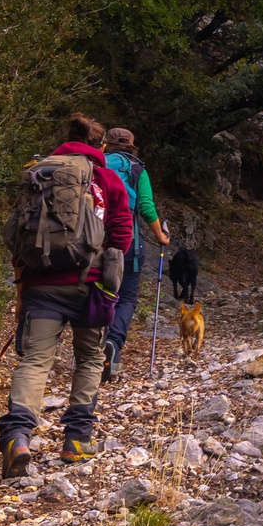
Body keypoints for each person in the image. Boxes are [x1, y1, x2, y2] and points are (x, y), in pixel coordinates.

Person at [0, 113, 133, 477]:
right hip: (91, 286)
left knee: (35, 361)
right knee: (89, 357)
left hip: (42, 283)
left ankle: (18, 437)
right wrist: (108, 279)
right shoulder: (107, 179)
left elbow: (19, 233)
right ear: (99, 147)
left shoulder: (41, 174)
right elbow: (122, 234)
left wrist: (22, 286)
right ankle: (76, 440)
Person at [101, 127, 170, 379]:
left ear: (105, 144)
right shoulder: (137, 169)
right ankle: (114, 345)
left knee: (99, 292)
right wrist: (160, 236)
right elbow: (146, 207)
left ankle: (92, 351)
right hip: (128, 241)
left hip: (95, 240)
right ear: (132, 145)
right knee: (126, 297)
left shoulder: (95, 163)